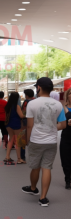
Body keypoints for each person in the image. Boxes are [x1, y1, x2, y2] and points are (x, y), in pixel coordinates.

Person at [22, 77, 66, 207]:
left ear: (39, 87)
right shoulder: (58, 105)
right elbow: (63, 125)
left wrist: (27, 141)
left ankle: (33, 188)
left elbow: (29, 126)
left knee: (35, 166)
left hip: (36, 140)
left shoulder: (32, 104)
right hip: (51, 141)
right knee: (47, 167)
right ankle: (43, 198)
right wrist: (51, 128)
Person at [4, 92, 25, 165]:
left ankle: (7, 157)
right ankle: (19, 159)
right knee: (17, 142)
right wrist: (25, 114)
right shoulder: (17, 106)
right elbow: (21, 116)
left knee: (11, 140)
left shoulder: (7, 106)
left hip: (8, 124)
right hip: (16, 124)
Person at [60, 88, 71, 189]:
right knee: (65, 159)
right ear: (67, 95)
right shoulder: (63, 107)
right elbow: (59, 123)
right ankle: (67, 179)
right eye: (70, 94)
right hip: (66, 137)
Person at [20, 89, 35, 161]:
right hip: (35, 122)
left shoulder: (26, 102)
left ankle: (22, 157)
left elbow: (23, 112)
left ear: (27, 95)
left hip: (26, 122)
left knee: (23, 140)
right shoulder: (35, 101)